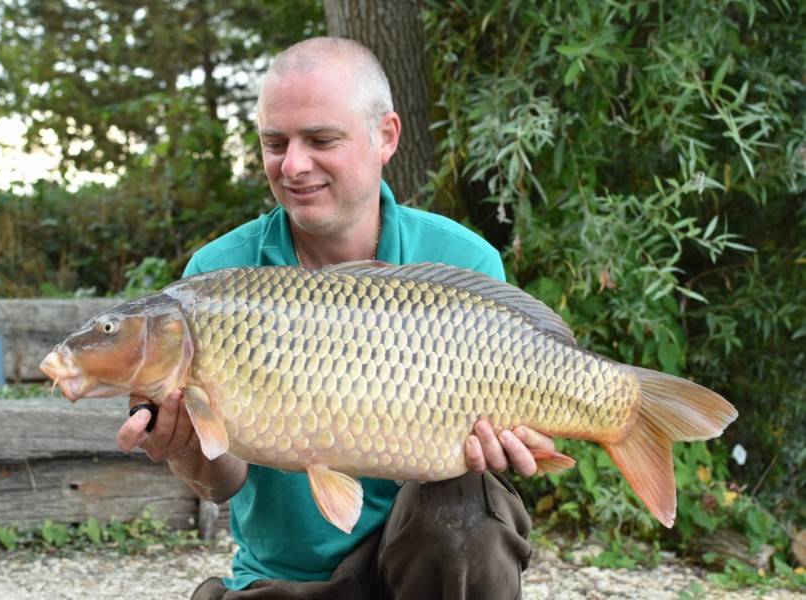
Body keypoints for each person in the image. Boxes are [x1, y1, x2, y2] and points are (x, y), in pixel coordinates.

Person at [116, 36, 556, 600]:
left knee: (465, 504)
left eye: (321, 139)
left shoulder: (461, 261)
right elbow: (220, 486)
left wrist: (512, 449)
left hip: (420, 566)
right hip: (284, 579)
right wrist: (182, 445)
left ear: (386, 138)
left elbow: (506, 446)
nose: (294, 166)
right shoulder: (218, 279)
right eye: (275, 143)